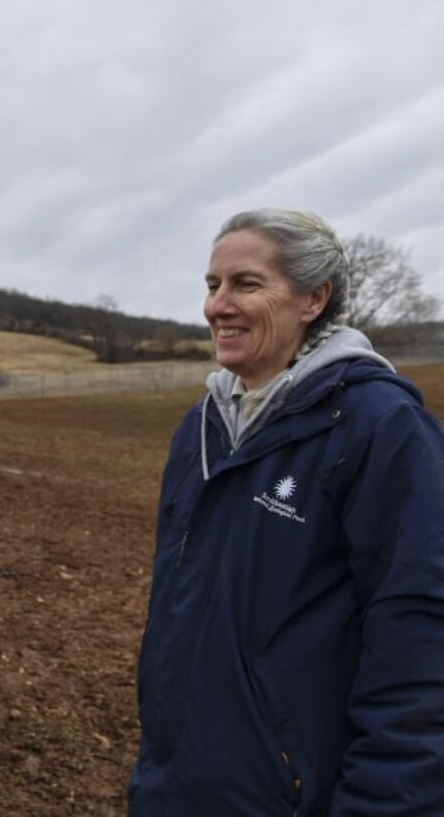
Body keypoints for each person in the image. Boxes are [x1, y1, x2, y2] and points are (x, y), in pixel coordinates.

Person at [128, 208, 444, 816]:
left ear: (314, 299)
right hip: (177, 788)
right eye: (212, 285)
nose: (218, 305)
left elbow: (420, 646)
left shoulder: (379, 427)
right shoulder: (201, 430)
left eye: (246, 284)